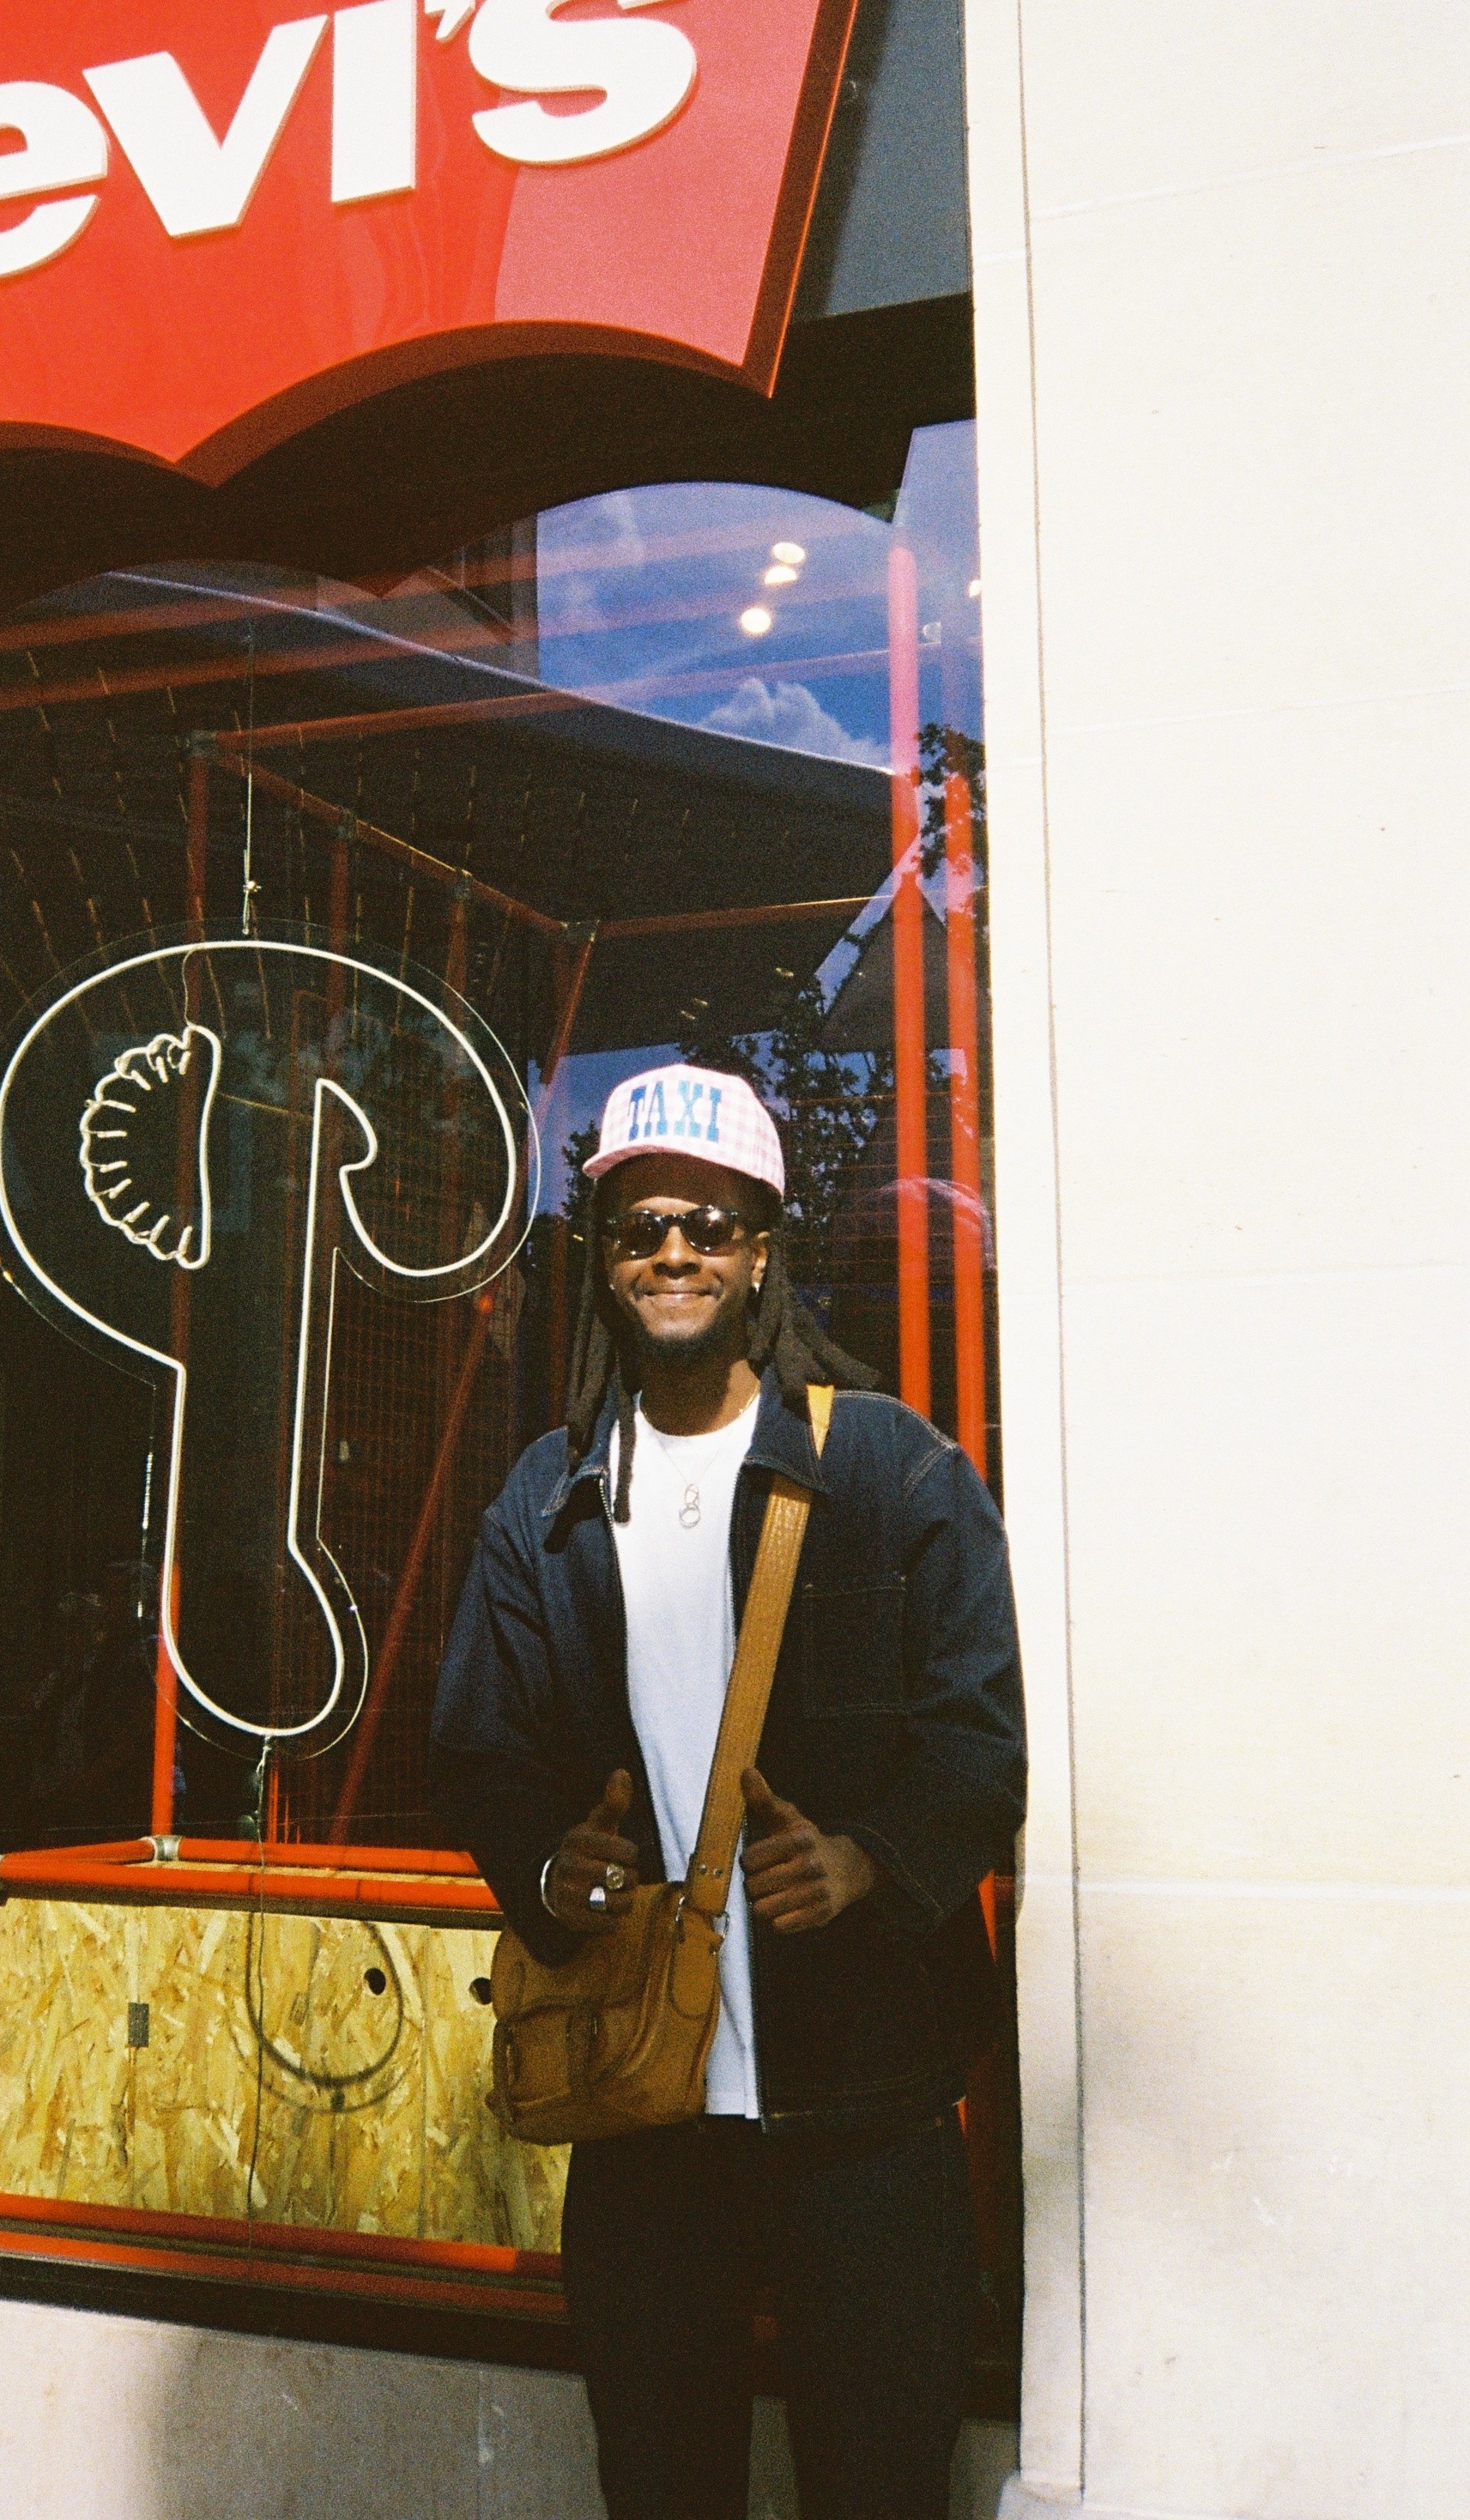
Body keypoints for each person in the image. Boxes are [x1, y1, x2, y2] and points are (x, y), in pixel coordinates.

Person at [430, 1064, 1025, 2520]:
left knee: (877, 2491)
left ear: (760, 1253)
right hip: (643, 2105)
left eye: (706, 1226)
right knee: (659, 2488)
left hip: (864, 2105)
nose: (673, 1254)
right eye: (639, 1231)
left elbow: (981, 1736)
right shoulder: (548, 1495)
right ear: (605, 1263)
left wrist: (870, 1859)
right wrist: (548, 1866)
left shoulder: (887, 1464)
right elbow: (479, 1747)